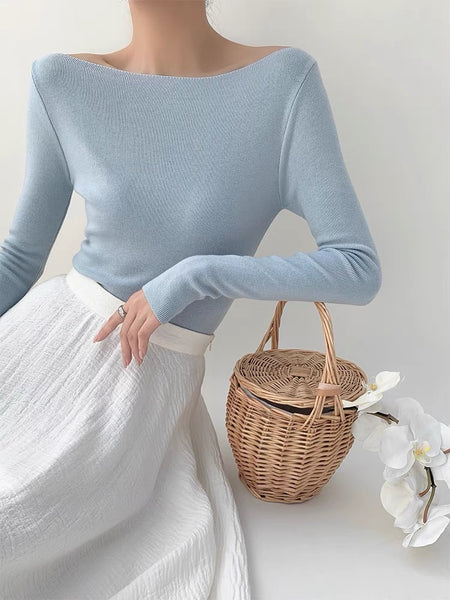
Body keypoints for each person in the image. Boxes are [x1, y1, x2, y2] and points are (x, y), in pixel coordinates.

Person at [0, 0, 382, 598]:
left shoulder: (285, 86)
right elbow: (20, 259)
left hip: (140, 389)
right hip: (36, 349)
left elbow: (357, 268)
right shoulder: (60, 82)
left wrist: (197, 275)